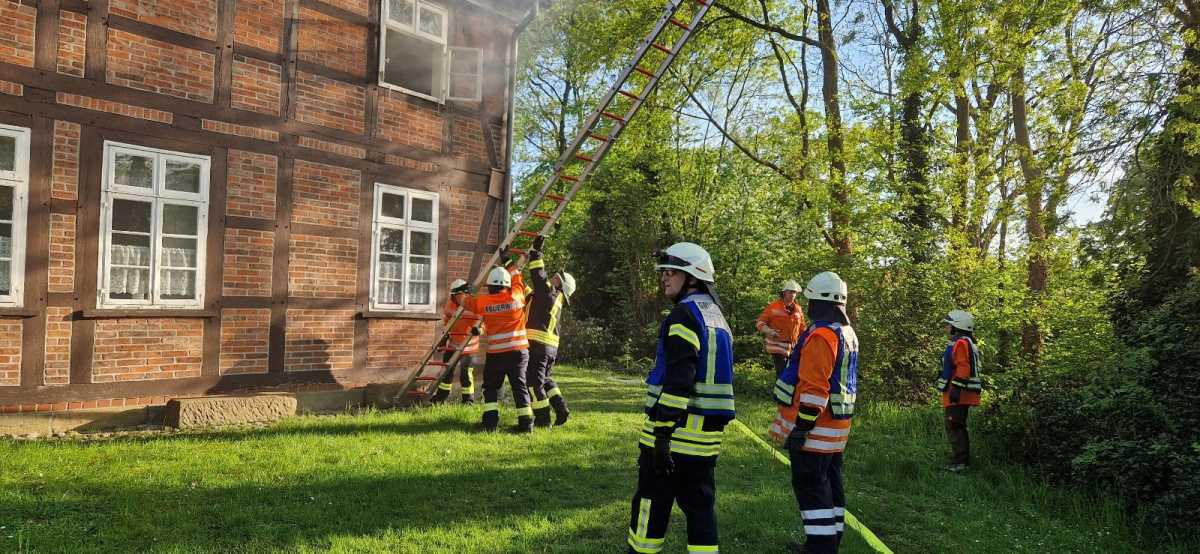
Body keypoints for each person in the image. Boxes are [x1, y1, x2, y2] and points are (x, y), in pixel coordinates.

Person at [627, 242, 734, 554]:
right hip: (706, 443)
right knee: (701, 512)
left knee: (650, 507)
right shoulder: (717, 317)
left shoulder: (683, 316)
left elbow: (679, 381)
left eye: (670, 271)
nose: (663, 277)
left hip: (675, 437)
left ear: (692, 277)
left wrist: (661, 435)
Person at [769, 271, 858, 554]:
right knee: (831, 484)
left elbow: (814, 389)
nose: (806, 306)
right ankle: (829, 541)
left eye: (810, 300)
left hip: (816, 430)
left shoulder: (821, 335)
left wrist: (801, 428)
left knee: (811, 487)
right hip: (836, 430)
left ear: (821, 303)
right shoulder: (846, 333)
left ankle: (820, 548)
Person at [457, 256, 534, 433]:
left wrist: (459, 291)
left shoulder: (483, 303)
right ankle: (526, 424)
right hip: (519, 352)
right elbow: (518, 280)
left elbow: (466, 302)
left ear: (490, 286)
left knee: (490, 388)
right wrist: (510, 263)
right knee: (519, 387)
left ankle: (490, 424)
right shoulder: (516, 296)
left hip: (496, 355)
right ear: (506, 286)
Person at [523, 235, 577, 427]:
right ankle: (561, 409)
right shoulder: (556, 299)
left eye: (557, 278)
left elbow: (538, 274)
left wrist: (536, 251)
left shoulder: (549, 293)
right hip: (550, 348)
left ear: (559, 285)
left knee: (533, 382)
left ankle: (543, 418)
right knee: (545, 379)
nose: (554, 276)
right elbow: (531, 294)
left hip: (537, 346)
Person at [938, 309, 982, 472]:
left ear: (957, 327)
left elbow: (964, 367)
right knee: (954, 425)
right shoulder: (962, 342)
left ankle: (960, 463)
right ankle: (958, 460)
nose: (945, 328)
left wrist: (956, 388)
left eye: (948, 326)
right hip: (958, 394)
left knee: (955, 425)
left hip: (959, 395)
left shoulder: (961, 343)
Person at [430, 279, 481, 405]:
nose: (456, 298)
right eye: (454, 295)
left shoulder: (474, 305)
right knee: (446, 371)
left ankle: (468, 401)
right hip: (453, 345)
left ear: (464, 293)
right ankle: (440, 398)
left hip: (469, 347)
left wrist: (479, 330)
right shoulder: (450, 304)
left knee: (465, 374)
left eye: (458, 295)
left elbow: (482, 322)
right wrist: (444, 338)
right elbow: (447, 322)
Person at [757, 280, 807, 374]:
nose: (792, 294)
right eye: (790, 292)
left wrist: (808, 337)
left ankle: (785, 387)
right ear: (784, 292)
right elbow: (760, 323)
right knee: (782, 373)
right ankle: (780, 387)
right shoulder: (773, 306)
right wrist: (769, 331)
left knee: (792, 373)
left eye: (794, 292)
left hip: (792, 346)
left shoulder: (798, 309)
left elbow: (802, 327)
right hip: (777, 345)